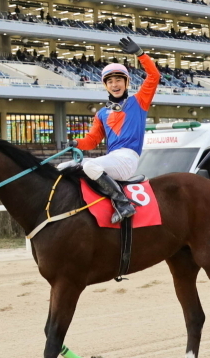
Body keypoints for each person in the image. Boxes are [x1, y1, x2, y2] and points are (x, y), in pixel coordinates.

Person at [58, 37, 160, 223]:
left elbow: (154, 77)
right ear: (106, 85)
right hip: (112, 159)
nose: (115, 85)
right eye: (110, 81)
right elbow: (92, 140)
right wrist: (75, 143)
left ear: (126, 82)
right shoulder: (102, 114)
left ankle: (123, 203)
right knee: (63, 167)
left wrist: (140, 54)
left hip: (127, 159)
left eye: (119, 80)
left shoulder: (139, 102)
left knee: (90, 165)